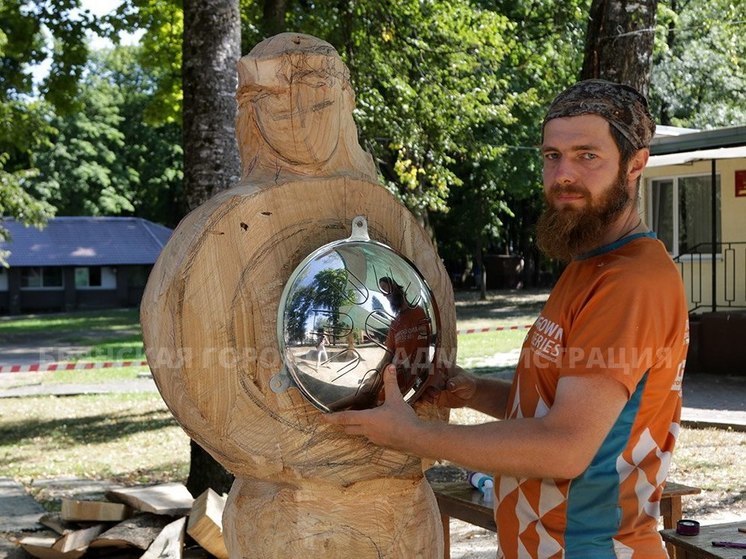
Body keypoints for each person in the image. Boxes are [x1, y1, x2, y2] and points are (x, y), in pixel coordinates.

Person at [324, 79, 689, 559]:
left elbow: (565, 446)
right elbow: (560, 409)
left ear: (635, 164)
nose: (563, 174)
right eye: (552, 155)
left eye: (587, 156)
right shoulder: (590, 265)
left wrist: (412, 435)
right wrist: (473, 389)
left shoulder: (631, 281)